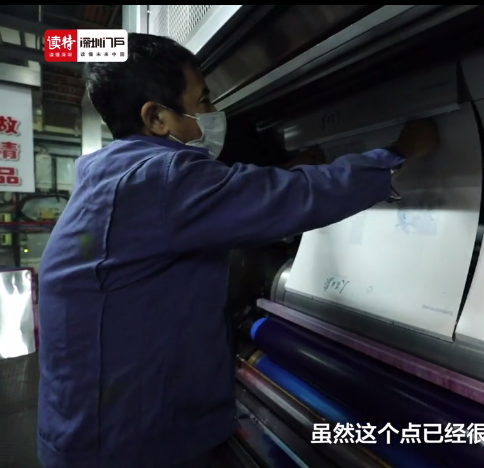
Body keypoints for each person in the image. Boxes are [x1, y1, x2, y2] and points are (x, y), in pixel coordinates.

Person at [36, 33, 438, 468]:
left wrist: (284, 170)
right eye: (203, 101)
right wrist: (398, 152)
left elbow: (209, 212)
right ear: (156, 118)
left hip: (92, 429)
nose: (213, 113)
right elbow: (297, 197)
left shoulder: (118, 174)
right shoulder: (160, 177)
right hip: (129, 447)